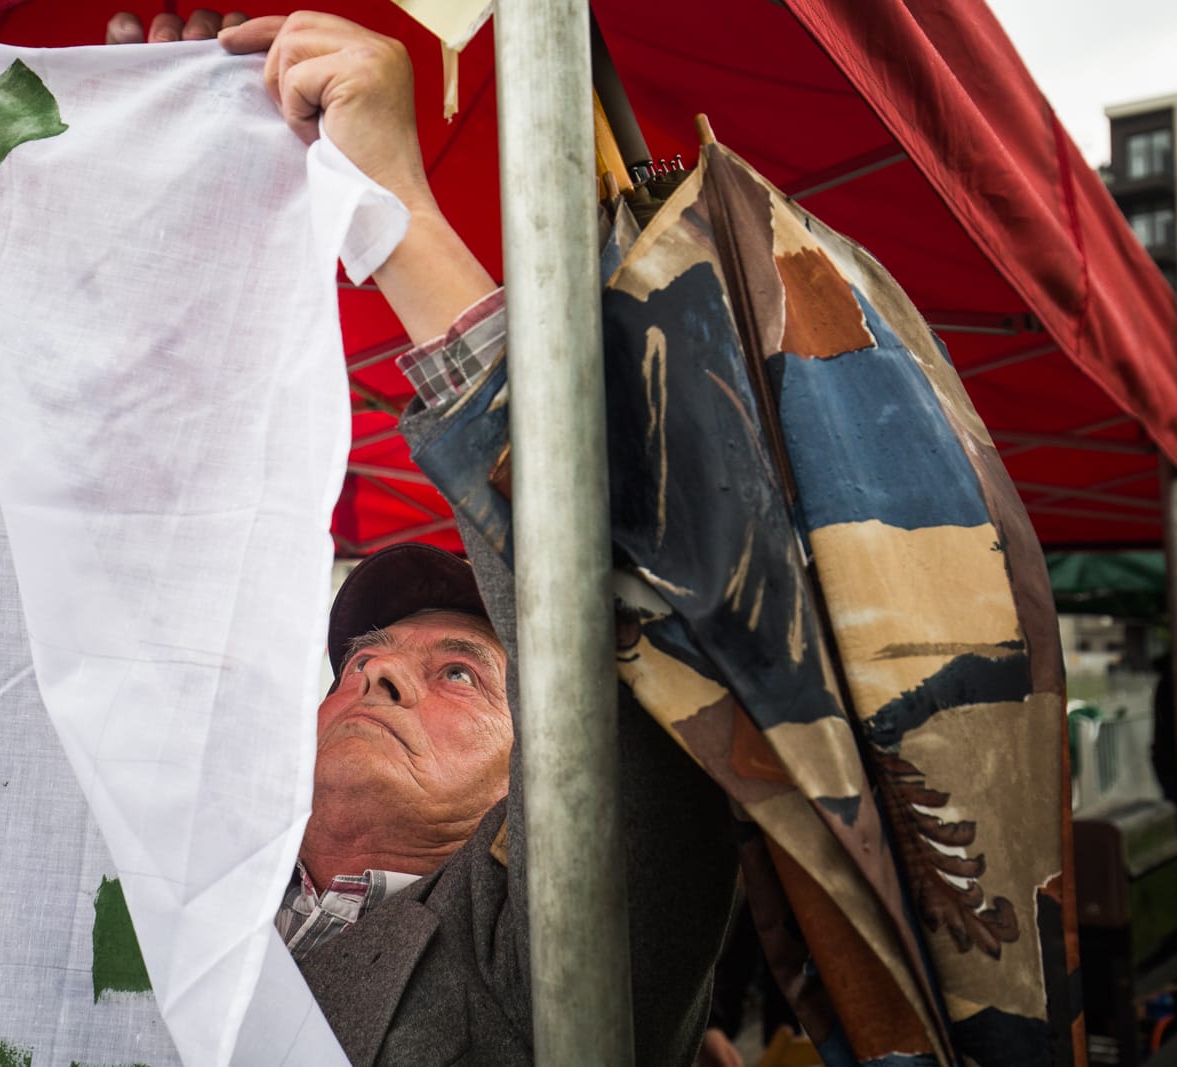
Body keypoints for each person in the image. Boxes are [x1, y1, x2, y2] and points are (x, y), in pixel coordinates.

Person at [111, 12, 740, 1064]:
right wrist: (144, 214)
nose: (378, 676)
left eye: (459, 671)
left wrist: (392, 209)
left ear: (529, 780)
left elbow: (617, 646)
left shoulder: (527, 969)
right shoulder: (176, 882)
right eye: (361, 659)